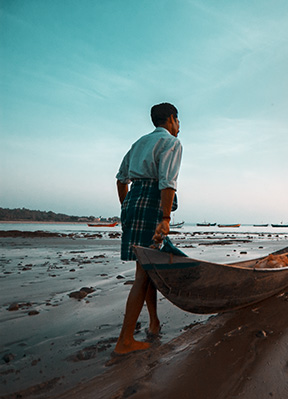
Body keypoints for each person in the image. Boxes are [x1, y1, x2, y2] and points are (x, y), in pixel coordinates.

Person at [113, 103, 183, 354]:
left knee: (146, 266)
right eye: (178, 121)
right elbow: (167, 182)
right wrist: (165, 217)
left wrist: (126, 206)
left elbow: (121, 178)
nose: (179, 127)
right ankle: (125, 340)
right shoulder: (171, 143)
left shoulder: (138, 143)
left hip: (133, 202)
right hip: (152, 202)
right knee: (143, 274)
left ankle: (154, 322)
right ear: (172, 119)